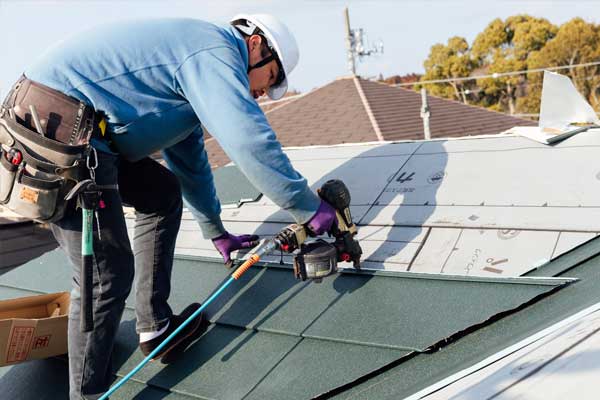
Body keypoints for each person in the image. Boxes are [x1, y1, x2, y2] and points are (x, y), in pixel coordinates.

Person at [6, 14, 336, 399]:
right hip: (55, 128)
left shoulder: (195, 66)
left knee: (161, 193)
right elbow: (249, 140)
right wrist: (306, 206)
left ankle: (155, 327)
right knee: (105, 275)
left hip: (70, 127)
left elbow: (189, 161)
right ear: (257, 46)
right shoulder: (214, 52)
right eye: (273, 77)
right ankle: (87, 394)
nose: (267, 91)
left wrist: (216, 230)